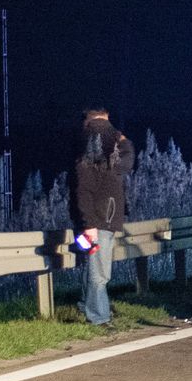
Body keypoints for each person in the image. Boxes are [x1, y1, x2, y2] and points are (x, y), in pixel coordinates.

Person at [71, 107, 134, 327]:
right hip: (99, 221)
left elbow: (125, 162)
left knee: (93, 268)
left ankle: (87, 307)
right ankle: (98, 317)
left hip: (96, 220)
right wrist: (90, 225)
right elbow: (85, 191)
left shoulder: (91, 156)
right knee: (100, 272)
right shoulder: (94, 159)